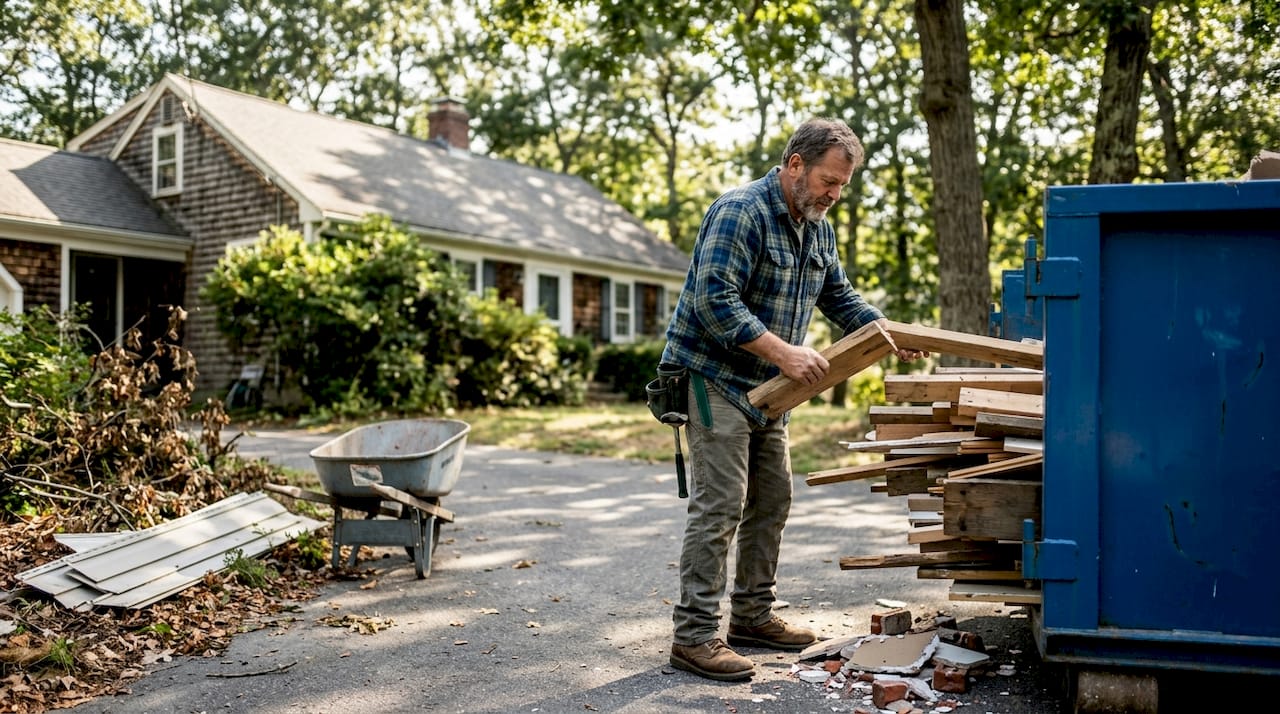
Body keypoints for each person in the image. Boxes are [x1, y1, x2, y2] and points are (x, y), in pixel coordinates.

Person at [659, 118, 926, 681]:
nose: (834, 195)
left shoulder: (817, 228)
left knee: (774, 499)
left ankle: (752, 617)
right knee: (721, 503)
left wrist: (885, 332)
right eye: (829, 181)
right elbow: (714, 301)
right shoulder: (740, 212)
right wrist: (785, 353)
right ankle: (694, 636)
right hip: (712, 378)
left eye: (843, 186)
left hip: (769, 392)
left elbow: (839, 295)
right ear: (795, 164)